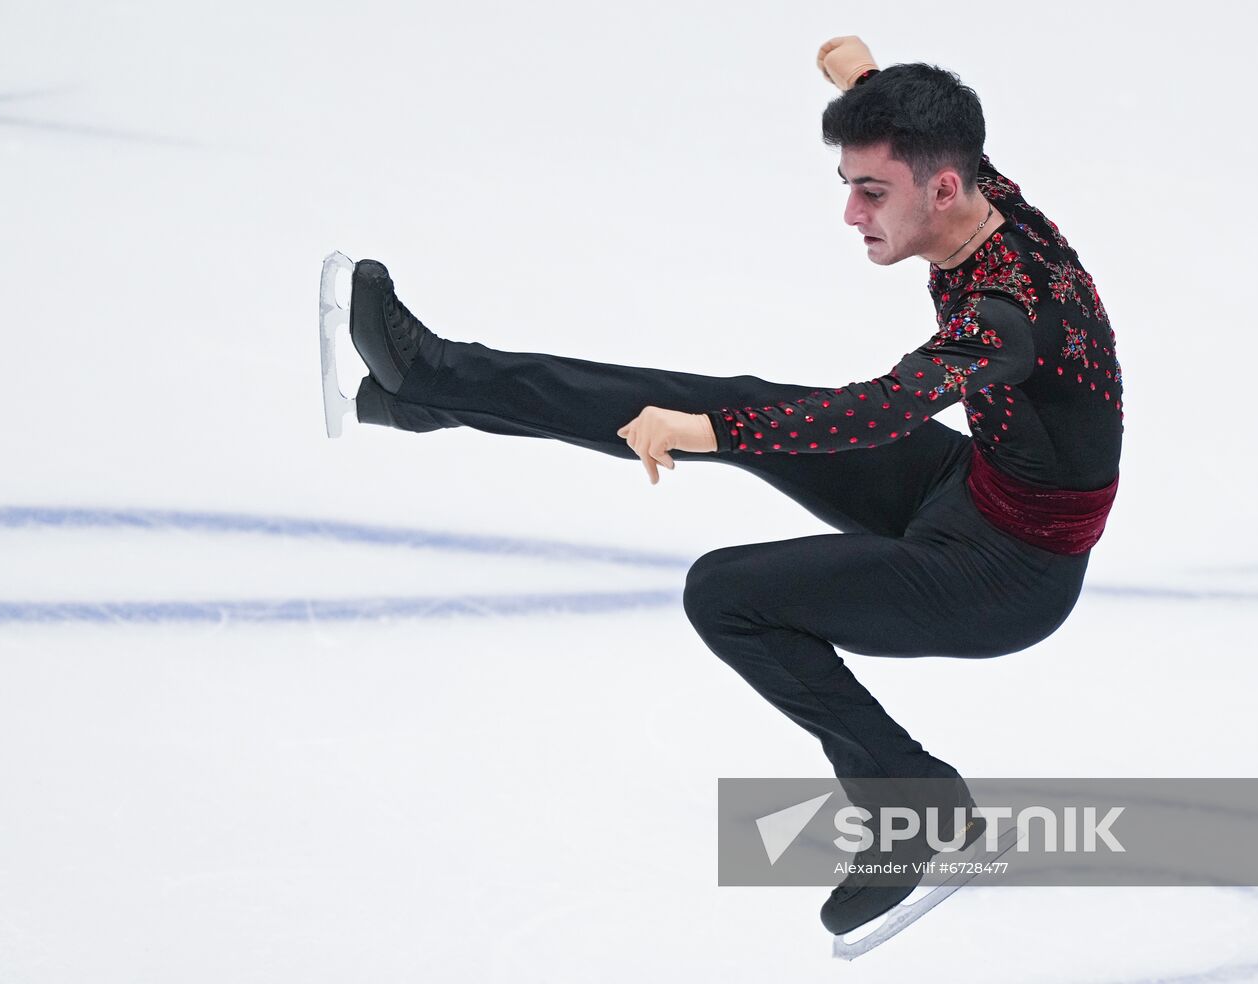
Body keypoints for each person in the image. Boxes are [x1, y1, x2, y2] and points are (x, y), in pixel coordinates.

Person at [325, 36, 1122, 936]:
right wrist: (865, 82)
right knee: (738, 403)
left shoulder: (1008, 314)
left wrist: (706, 437)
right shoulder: (987, 199)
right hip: (973, 488)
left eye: (872, 192)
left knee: (728, 592)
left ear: (940, 191)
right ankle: (430, 382)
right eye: (849, 185)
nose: (852, 213)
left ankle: (917, 806)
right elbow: (936, 143)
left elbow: (881, 410)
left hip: (1007, 576)